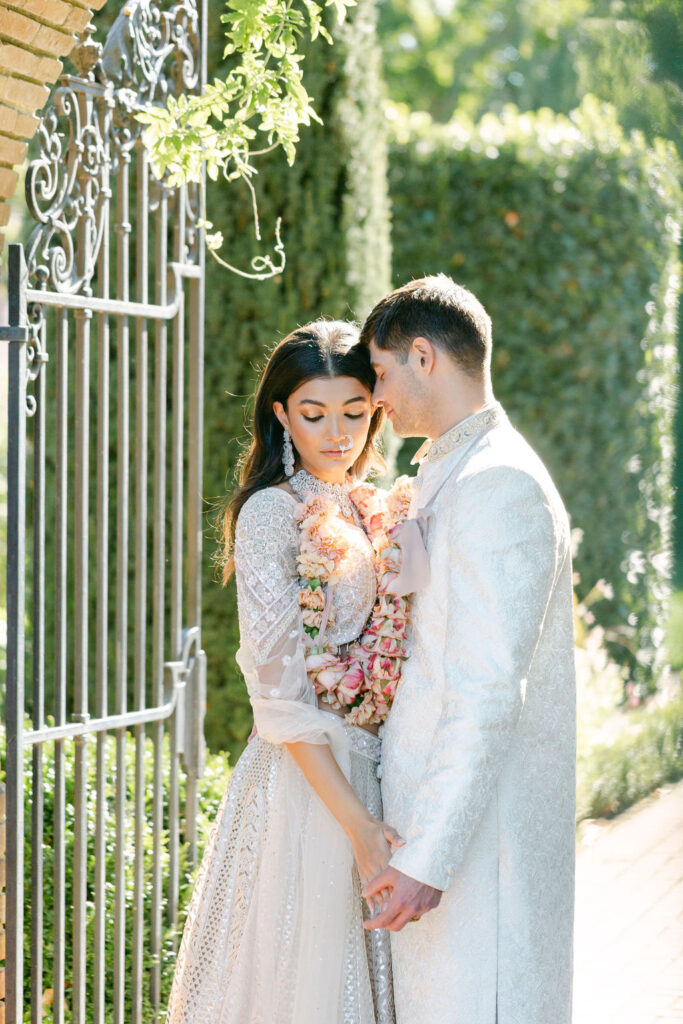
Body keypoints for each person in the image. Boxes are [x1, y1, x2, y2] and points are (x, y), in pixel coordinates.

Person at [164, 319, 402, 1024]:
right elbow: (276, 693)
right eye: (313, 414)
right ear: (279, 414)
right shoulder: (272, 512)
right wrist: (357, 826)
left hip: (377, 765)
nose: (337, 433)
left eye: (354, 413)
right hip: (309, 786)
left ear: (376, 410)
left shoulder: (368, 506)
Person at [360, 275, 577, 1024]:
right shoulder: (449, 471)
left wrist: (426, 859)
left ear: (423, 356)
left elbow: (487, 689)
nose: (375, 396)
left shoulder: (499, 484)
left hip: (475, 858)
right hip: (434, 829)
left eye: (380, 371)